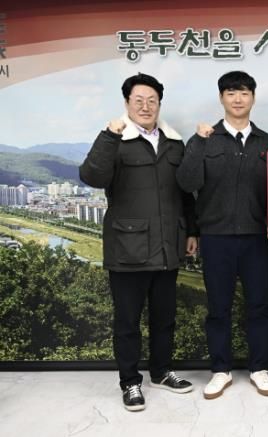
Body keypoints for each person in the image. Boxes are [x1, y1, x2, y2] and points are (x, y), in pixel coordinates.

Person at [80, 73, 197, 412]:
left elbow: (185, 193)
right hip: (127, 248)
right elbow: (91, 176)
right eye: (138, 101)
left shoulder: (174, 143)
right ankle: (130, 382)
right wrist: (109, 135)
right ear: (127, 103)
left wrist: (191, 231)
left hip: (167, 246)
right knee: (128, 322)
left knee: (164, 318)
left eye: (152, 101)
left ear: (159, 103)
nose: (146, 107)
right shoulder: (116, 140)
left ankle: (161, 372)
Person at [176, 71, 268, 399]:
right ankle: (220, 370)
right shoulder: (205, 140)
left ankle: (259, 368)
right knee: (218, 308)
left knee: (259, 306)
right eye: (231, 93)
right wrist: (197, 142)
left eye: (244, 93)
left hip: (258, 239)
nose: (238, 99)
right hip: (216, 238)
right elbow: (187, 183)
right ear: (221, 98)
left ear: (253, 98)